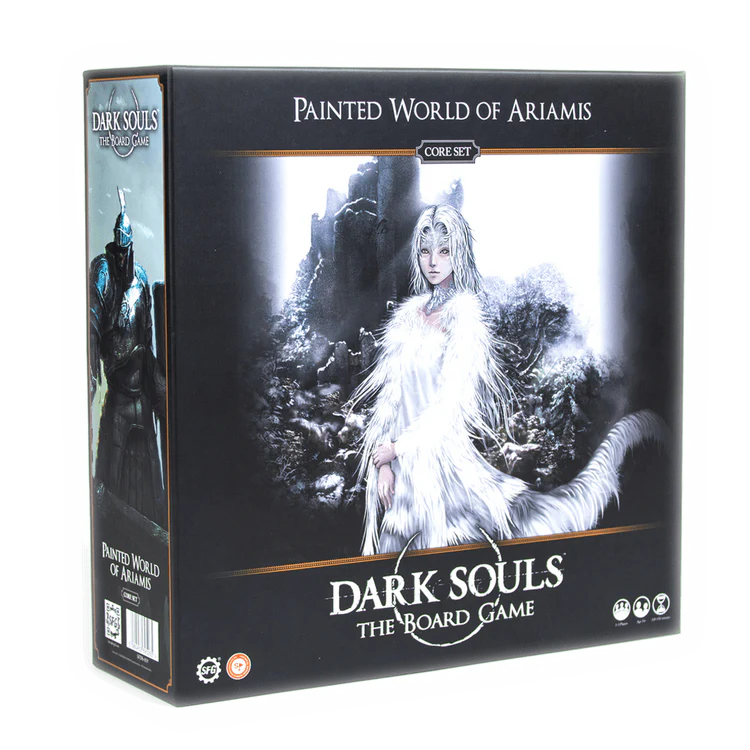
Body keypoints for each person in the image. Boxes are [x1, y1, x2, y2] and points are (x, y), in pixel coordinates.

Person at [353, 204, 665, 555]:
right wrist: (384, 464)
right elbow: (390, 401)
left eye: (444, 251)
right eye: (425, 251)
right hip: (403, 478)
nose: (433, 262)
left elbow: (449, 406)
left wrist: (398, 449)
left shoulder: (466, 323)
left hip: (444, 473)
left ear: (459, 254)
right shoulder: (406, 321)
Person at [89, 188, 166, 528]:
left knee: (151, 480)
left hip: (142, 392)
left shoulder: (143, 280)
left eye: (126, 251)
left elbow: (147, 334)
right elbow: (93, 324)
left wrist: (156, 383)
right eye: (117, 251)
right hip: (119, 393)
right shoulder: (103, 273)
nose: (121, 258)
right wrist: (92, 374)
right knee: (111, 474)